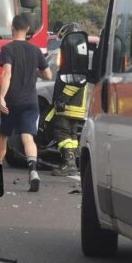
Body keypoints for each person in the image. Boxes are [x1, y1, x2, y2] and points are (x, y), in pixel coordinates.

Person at [0, 14, 52, 192]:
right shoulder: (35, 51)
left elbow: (7, 74)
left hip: (12, 102)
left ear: (12, 27)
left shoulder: (8, 49)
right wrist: (36, 72)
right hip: (30, 101)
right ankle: (33, 170)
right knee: (28, 136)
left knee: (3, 135)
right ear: (28, 29)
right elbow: (49, 75)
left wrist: (2, 96)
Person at [44, 23, 86, 176]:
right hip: (77, 105)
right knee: (72, 135)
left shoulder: (74, 55)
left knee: (61, 132)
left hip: (69, 104)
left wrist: (62, 98)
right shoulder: (80, 54)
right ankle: (72, 161)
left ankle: (69, 163)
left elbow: (76, 81)